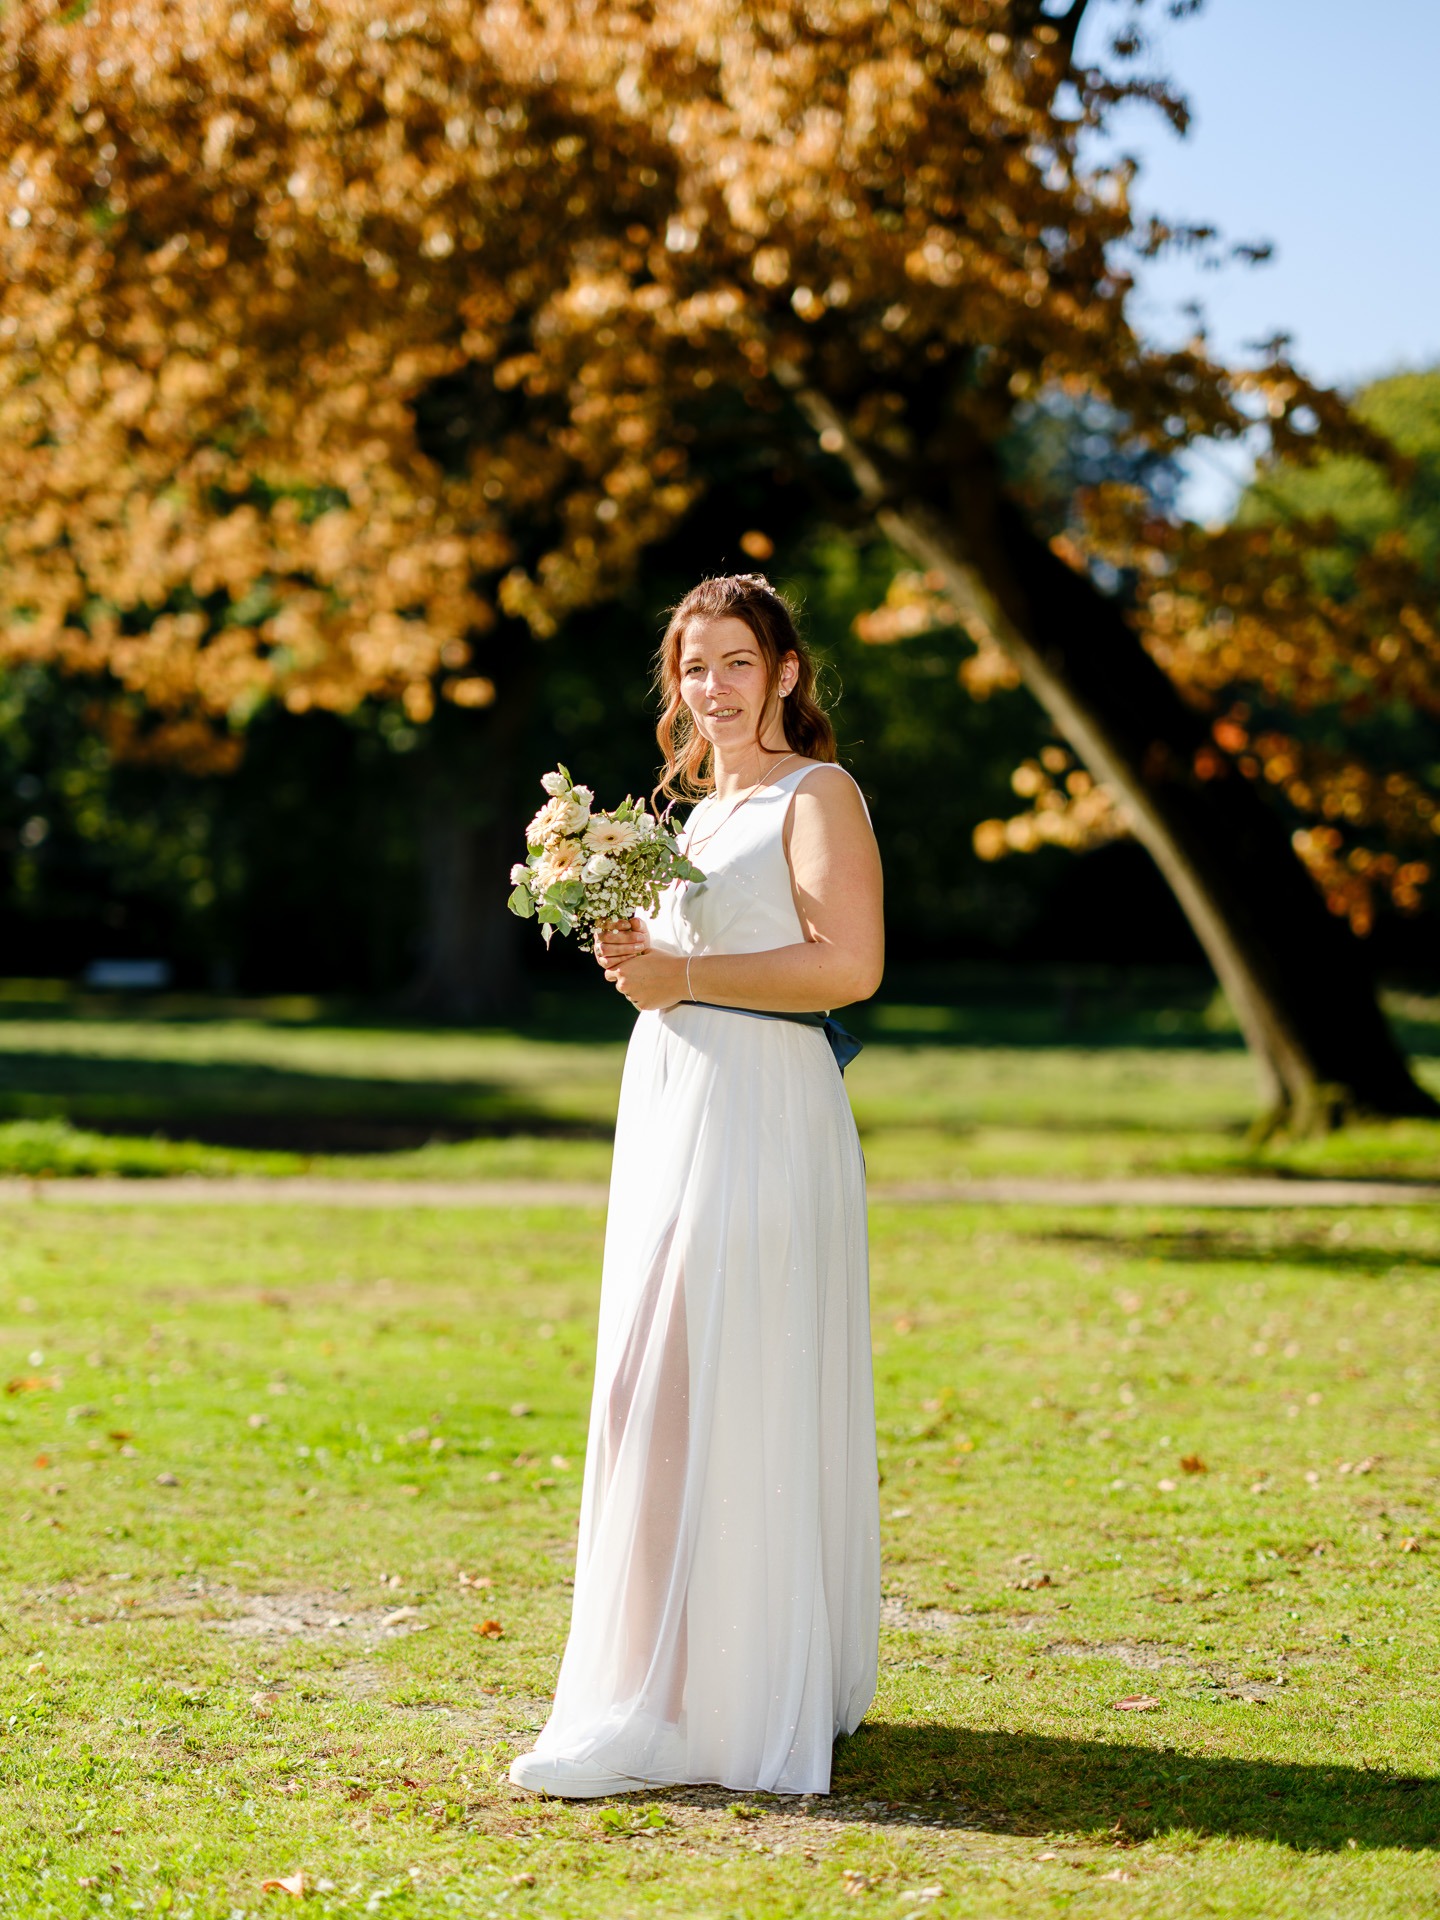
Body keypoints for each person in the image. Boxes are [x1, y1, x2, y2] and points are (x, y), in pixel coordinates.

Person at [508, 573, 883, 1799]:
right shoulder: (690, 811)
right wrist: (633, 950)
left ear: (784, 672)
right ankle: (678, 1681)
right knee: (648, 1387)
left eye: (734, 660)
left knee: (688, 1386)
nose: (710, 686)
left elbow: (850, 966)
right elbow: (684, 961)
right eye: (692, 666)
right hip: (675, 1103)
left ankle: (671, 1709)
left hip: (763, 1113)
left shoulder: (815, 795)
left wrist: (688, 980)